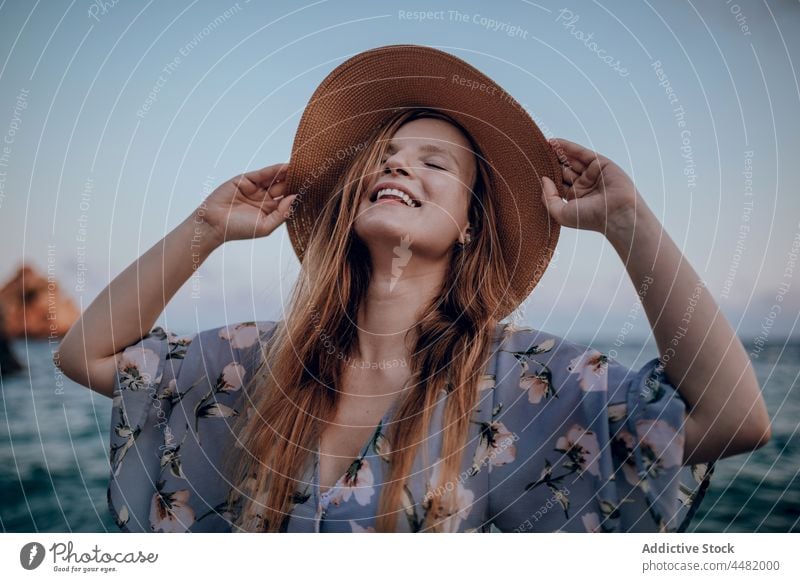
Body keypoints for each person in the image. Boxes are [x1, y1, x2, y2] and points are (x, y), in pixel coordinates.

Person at [55, 45, 770, 533]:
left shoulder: (527, 382)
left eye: (435, 162)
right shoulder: (260, 363)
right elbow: (85, 355)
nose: (397, 168)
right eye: (386, 157)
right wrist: (205, 226)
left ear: (468, 223)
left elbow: (735, 420)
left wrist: (628, 224)